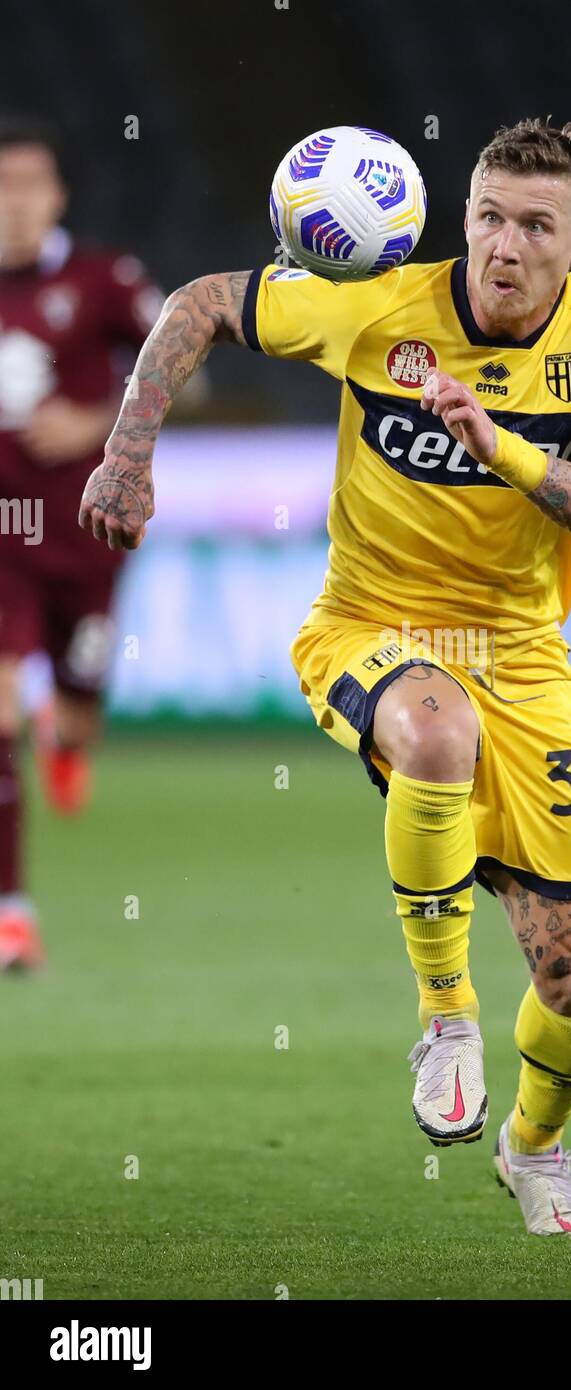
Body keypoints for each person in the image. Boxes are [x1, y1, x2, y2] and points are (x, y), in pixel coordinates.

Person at [79, 118, 571, 1237]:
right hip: (368, 625)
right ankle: (445, 1018)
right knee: (434, 736)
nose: (503, 243)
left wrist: (498, 445)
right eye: (487, 215)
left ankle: (533, 1146)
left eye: (534, 225)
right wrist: (127, 451)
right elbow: (199, 301)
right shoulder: (375, 302)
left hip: (522, 657)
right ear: (463, 220)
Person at [0, 116, 162, 969]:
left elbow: (186, 371)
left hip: (86, 535)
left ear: (56, 195)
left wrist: (100, 421)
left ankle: (62, 731)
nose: (15, 202)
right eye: (3, 184)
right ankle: (12, 914)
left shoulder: (103, 280)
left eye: (31, 184)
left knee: (77, 713)